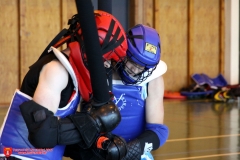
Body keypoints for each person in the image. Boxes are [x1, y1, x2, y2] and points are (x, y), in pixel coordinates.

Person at [0, 10, 128, 160]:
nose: (106, 65)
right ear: (91, 52)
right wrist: (95, 121)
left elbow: (58, 136)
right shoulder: (56, 71)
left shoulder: (71, 73)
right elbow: (42, 134)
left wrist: (96, 147)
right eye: (106, 59)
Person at [110, 24, 169, 160]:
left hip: (136, 154)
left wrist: (130, 151)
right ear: (124, 52)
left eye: (142, 67)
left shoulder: (153, 80)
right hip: (98, 151)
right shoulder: (99, 73)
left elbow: (157, 131)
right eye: (133, 62)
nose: (135, 71)